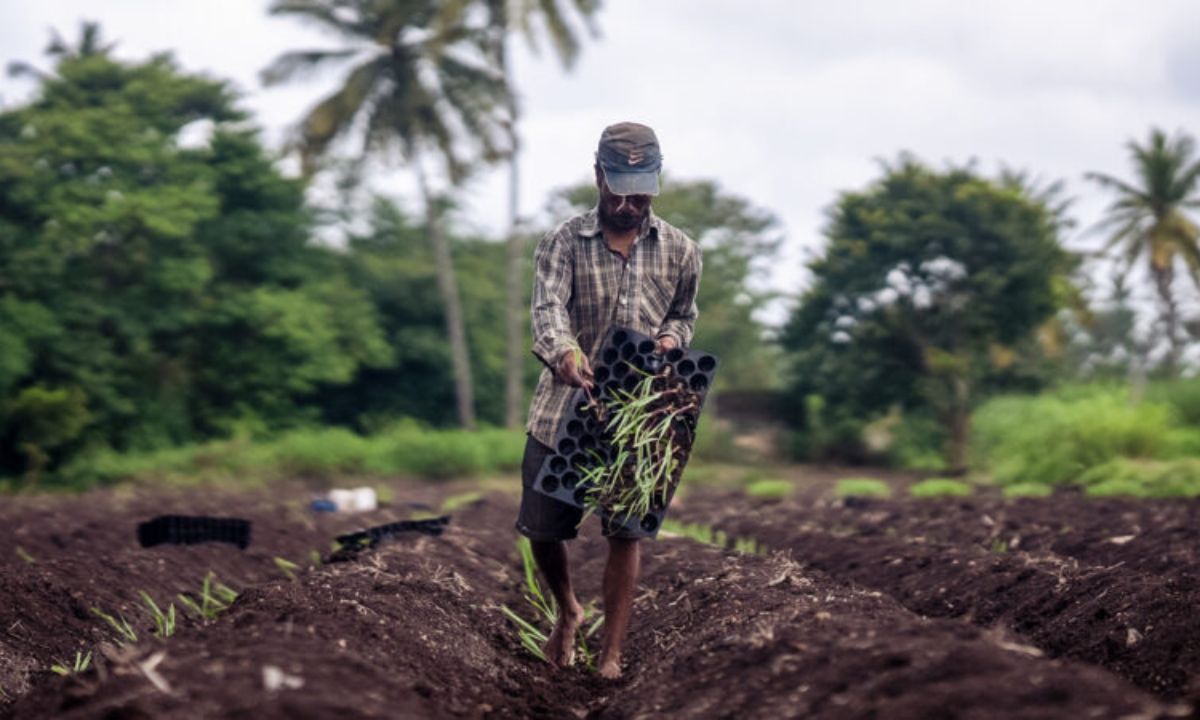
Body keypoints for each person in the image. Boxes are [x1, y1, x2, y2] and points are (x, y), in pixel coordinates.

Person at [515, 122, 702, 679]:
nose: (627, 203)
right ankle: (567, 609)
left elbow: (683, 314)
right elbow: (547, 311)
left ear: (655, 183)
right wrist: (565, 353)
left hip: (639, 414)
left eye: (640, 192)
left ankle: (612, 653)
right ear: (597, 175)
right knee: (543, 528)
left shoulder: (681, 250)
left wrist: (673, 339)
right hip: (563, 409)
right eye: (617, 189)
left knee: (627, 531)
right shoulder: (563, 242)